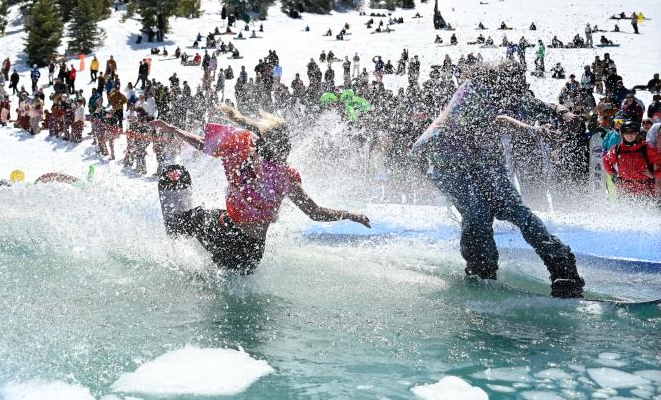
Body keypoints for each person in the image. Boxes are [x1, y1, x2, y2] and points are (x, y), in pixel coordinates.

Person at [411, 61, 585, 298]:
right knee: (477, 213)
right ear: (501, 79)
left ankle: (562, 266)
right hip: (443, 154)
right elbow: (498, 120)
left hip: (482, 156)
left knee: (516, 211)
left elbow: (538, 105)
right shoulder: (473, 88)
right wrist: (534, 130)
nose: (522, 86)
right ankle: (481, 270)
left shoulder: (511, 93)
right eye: (518, 81)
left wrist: (564, 114)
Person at [151, 106, 369, 274]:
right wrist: (350, 215)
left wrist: (172, 129)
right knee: (217, 233)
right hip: (253, 253)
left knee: (193, 220)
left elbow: (201, 143)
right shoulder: (288, 178)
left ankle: (177, 237)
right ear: (285, 148)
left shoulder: (239, 152)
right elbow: (315, 213)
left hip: (228, 237)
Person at [603, 120, 660, 200]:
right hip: (624, 190)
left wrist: (654, 174)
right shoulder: (617, 149)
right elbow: (606, 161)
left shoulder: (646, 148)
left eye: (632, 132)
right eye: (626, 133)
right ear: (622, 134)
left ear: (637, 133)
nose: (629, 135)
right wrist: (613, 174)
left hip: (645, 190)